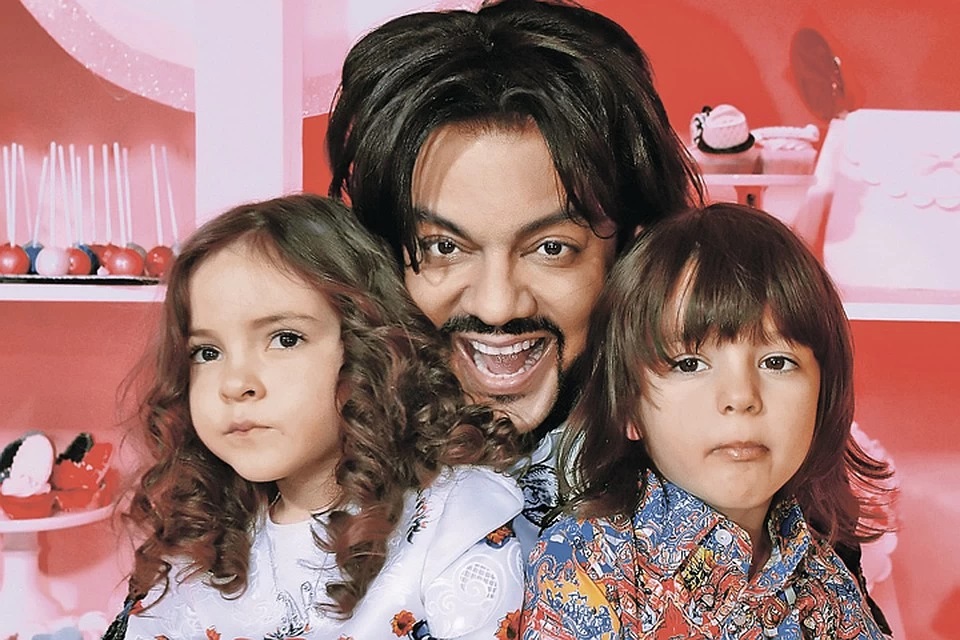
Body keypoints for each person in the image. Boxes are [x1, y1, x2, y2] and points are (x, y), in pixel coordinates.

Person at [325, 0, 890, 631]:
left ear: (631, 251)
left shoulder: (740, 456)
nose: (497, 304)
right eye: (443, 247)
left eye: (551, 249)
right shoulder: (317, 455)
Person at [107, 194, 524, 640]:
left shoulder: (449, 520)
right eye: (208, 352)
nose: (235, 383)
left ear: (367, 349)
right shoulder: (195, 549)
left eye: (285, 339)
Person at [521, 203, 893, 639]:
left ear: (822, 396)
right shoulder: (589, 562)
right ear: (628, 408)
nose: (741, 397)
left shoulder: (826, 573)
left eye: (776, 361)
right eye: (689, 364)